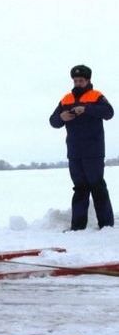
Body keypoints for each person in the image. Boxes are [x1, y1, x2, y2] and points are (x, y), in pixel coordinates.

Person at [49, 64, 114, 230]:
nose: (78, 83)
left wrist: (85, 109)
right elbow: (53, 121)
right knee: (80, 188)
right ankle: (77, 227)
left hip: (94, 151)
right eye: (75, 80)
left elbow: (109, 112)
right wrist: (62, 117)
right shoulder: (66, 99)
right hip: (74, 151)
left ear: (88, 80)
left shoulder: (96, 96)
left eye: (81, 80)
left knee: (97, 186)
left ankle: (106, 225)